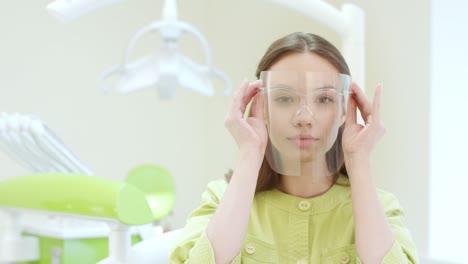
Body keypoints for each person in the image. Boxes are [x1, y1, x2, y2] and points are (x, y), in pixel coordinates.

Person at [169, 32, 418, 264]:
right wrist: (249, 154)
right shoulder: (222, 198)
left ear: (344, 109)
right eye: (284, 99)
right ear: (263, 107)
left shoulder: (380, 207)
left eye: (323, 99)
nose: (303, 117)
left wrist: (359, 161)